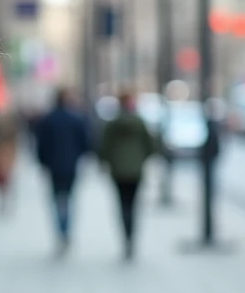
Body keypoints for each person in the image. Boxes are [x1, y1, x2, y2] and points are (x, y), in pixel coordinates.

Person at [98, 90, 158, 261]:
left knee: (122, 204)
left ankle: (125, 235)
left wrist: (106, 162)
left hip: (117, 170)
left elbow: (104, 147)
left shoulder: (112, 123)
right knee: (134, 204)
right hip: (136, 170)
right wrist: (141, 160)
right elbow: (151, 146)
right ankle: (132, 236)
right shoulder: (139, 122)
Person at [33, 86, 93, 254]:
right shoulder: (76, 119)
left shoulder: (48, 119)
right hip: (71, 165)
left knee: (56, 199)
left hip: (53, 166)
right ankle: (66, 230)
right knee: (69, 198)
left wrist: (43, 161)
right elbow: (86, 143)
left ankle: (61, 230)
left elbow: (40, 144)